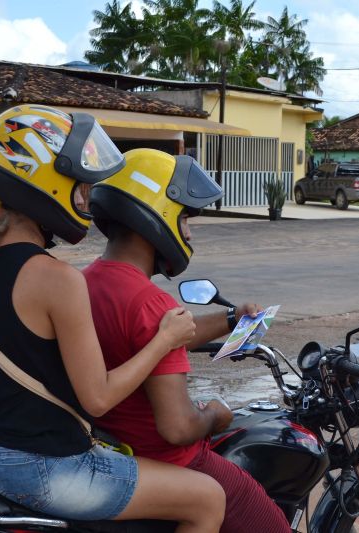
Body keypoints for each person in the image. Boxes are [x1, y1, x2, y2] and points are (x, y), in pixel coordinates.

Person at [0, 105, 225, 532]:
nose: (83, 198)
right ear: (42, 183)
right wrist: (164, 338)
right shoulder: (58, 278)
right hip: (40, 470)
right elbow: (98, 398)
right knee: (208, 498)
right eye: (77, 186)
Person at [83, 148, 291, 533]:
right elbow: (177, 428)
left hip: (114, 451)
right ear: (154, 214)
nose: (189, 232)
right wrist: (215, 414)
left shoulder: (87, 281)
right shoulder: (149, 300)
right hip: (171, 460)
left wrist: (231, 318)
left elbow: (152, 336)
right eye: (184, 219)